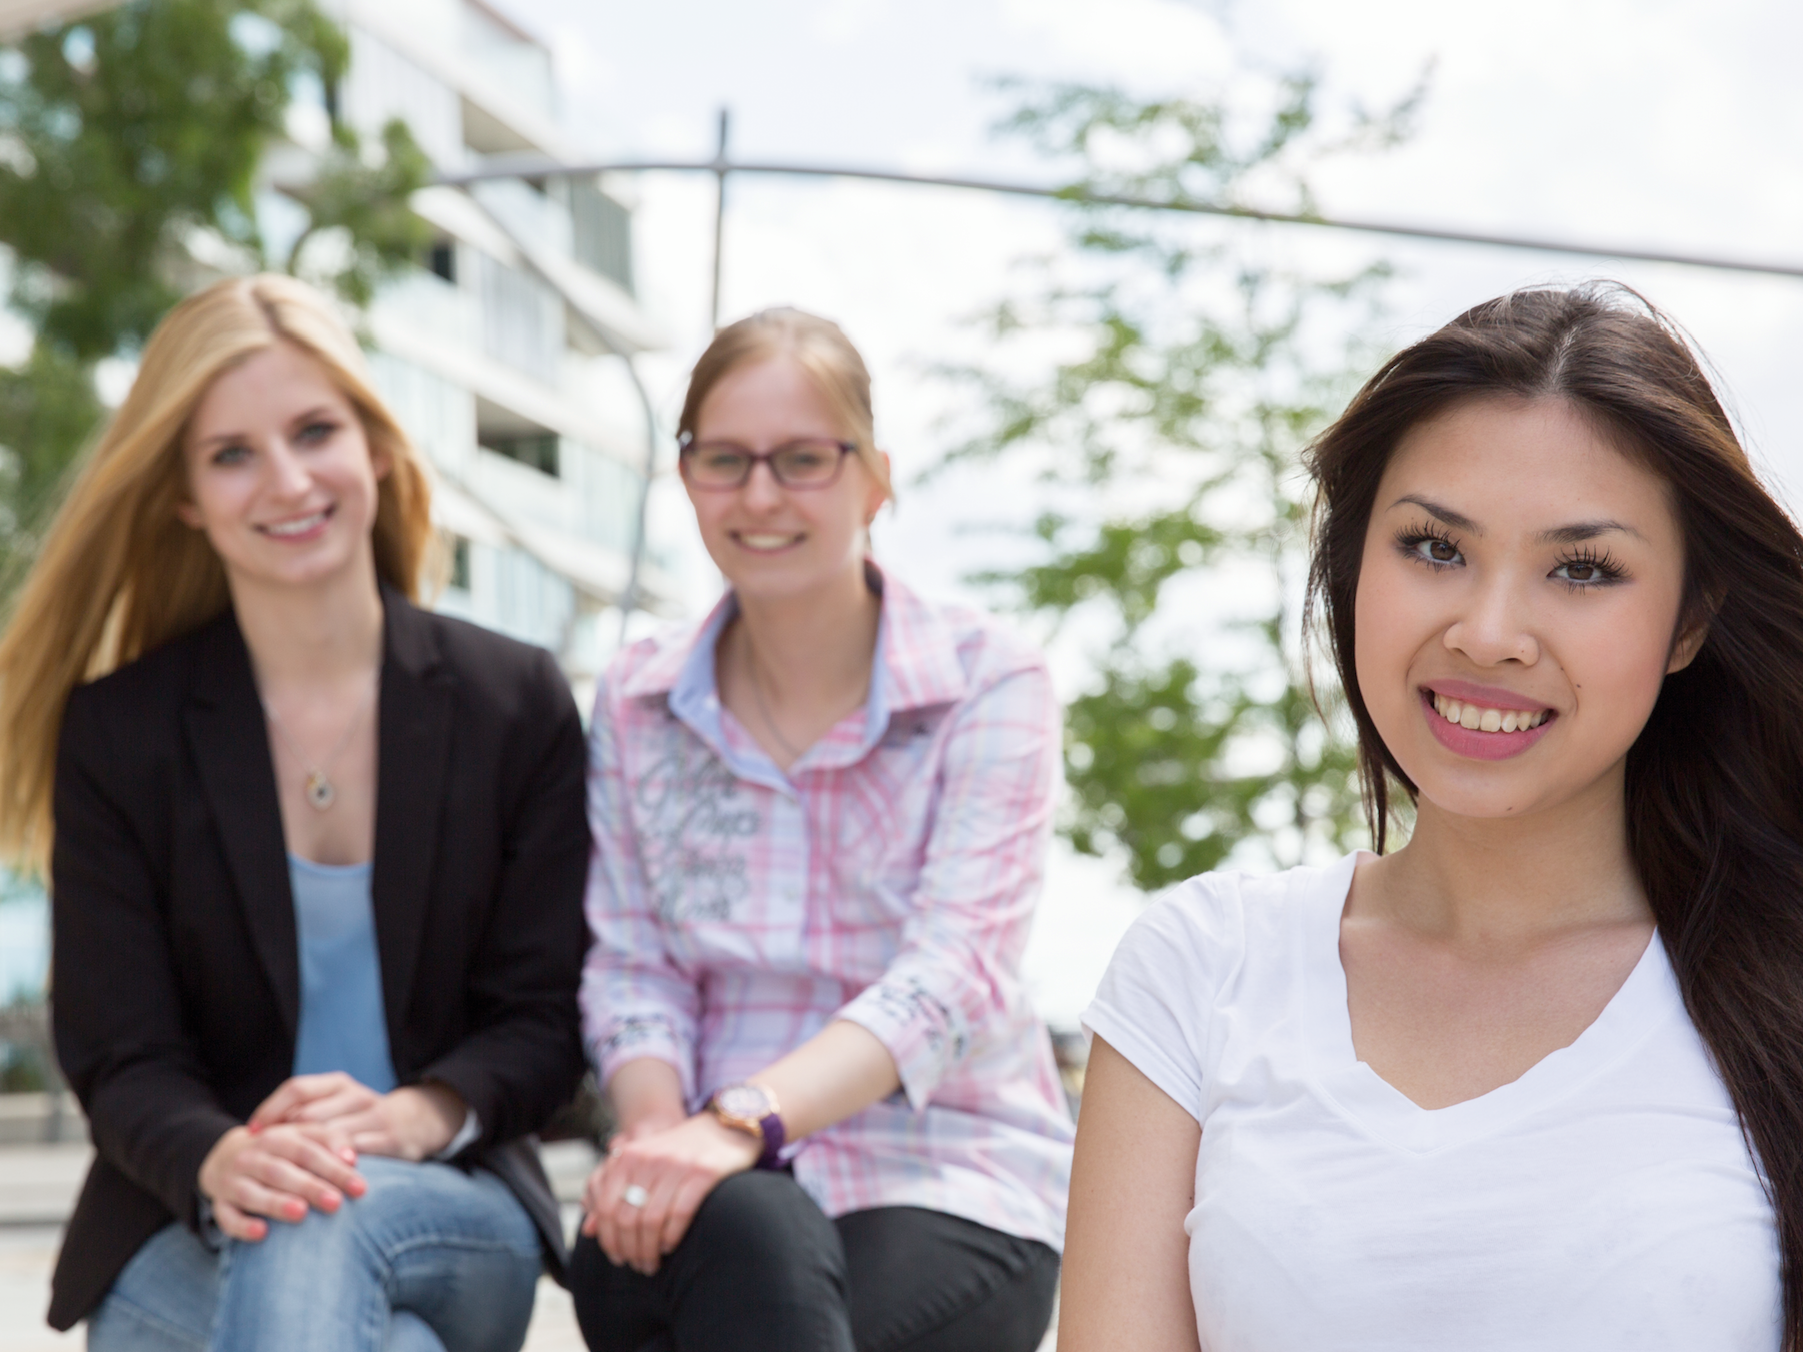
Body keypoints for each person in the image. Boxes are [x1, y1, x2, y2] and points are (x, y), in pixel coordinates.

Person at [1062, 285, 1800, 1350]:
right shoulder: (1198, 967)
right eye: (1435, 548)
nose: (1491, 632)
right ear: (1356, 566)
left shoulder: (1779, 991)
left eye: (1583, 568)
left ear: (1691, 618)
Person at [0, 274, 591, 1350]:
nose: (285, 479)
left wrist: (411, 1115)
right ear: (184, 492)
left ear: (375, 444)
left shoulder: (517, 703)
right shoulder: (120, 731)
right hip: (191, 1206)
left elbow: (547, 1019)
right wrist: (224, 1155)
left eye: (315, 430)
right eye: (231, 452)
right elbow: (121, 1049)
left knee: (315, 1229)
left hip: (448, 1199)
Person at [572, 307, 1072, 1352]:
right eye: (725, 459)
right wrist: (663, 1137)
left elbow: (951, 973)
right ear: (687, 475)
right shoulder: (634, 698)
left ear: (874, 478)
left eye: (802, 459)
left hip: (945, 1169)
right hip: (703, 1184)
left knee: (757, 1271)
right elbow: (633, 965)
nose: (759, 494)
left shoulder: (991, 683)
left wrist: (737, 1122)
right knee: (739, 1228)